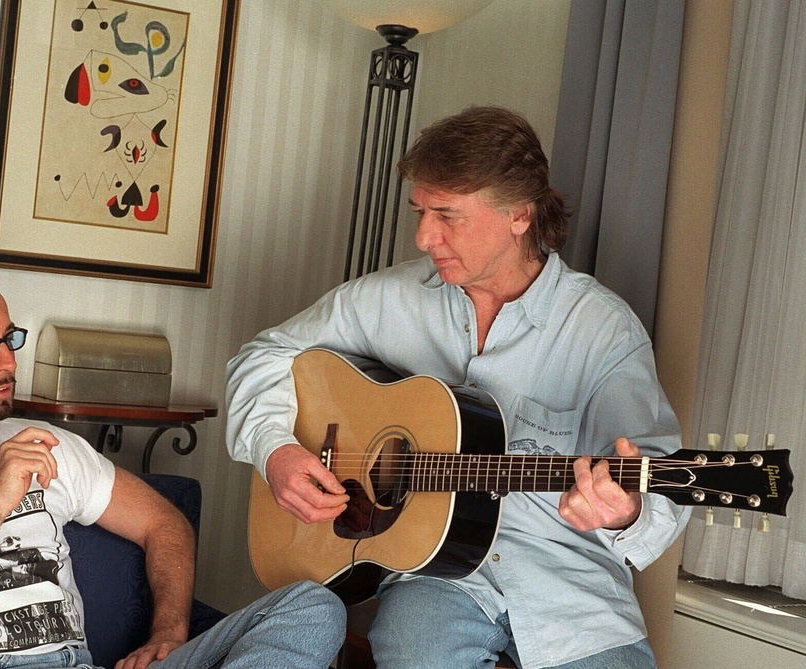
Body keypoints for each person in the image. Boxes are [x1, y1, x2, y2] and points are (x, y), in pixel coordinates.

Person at [225, 106, 691, 669]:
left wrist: (624, 511)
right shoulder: (389, 297)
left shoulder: (602, 329)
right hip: (435, 577)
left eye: (447, 215)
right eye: (420, 211)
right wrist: (276, 449)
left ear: (519, 214)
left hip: (569, 580)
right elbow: (266, 353)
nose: (424, 236)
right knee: (413, 650)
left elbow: (658, 470)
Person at [0, 259, 345, 669]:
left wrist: (169, 632)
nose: (8, 360)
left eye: (9, 338)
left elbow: (165, 524)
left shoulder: (43, 442)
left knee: (314, 607)